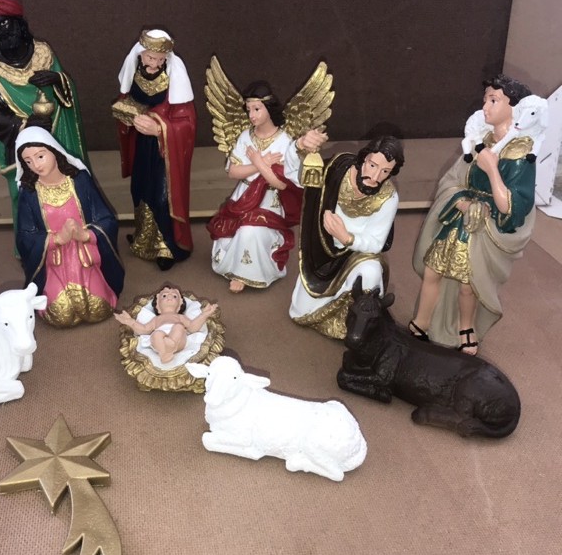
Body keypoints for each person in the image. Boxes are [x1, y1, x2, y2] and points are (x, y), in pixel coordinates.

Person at [411, 74, 542, 355]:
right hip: (458, 221)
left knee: (468, 284)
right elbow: (452, 180)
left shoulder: (521, 155)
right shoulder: (478, 141)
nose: (485, 107)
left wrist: (492, 168)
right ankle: (422, 321)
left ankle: (466, 328)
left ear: (514, 107)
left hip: (483, 229)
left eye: (494, 100)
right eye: (485, 100)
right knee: (433, 272)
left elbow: (511, 205)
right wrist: (460, 201)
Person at [0, 0, 88, 229]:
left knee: (67, 186)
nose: (0, 31)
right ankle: (34, 244)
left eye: (4, 23)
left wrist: (57, 80)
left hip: (56, 136)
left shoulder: (43, 52)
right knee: (28, 198)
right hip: (20, 146)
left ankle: (74, 237)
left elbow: (67, 92)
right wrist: (28, 126)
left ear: (19, 23)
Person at [289, 135, 404, 339]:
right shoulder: (337, 169)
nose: (375, 176)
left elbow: (376, 243)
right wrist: (299, 146)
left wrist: (347, 238)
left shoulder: (388, 197)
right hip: (322, 252)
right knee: (301, 313)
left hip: (357, 254)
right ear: (363, 158)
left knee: (371, 272)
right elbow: (295, 176)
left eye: (385, 171)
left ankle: (354, 321)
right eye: (372, 165)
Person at [14, 127, 124, 328]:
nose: (36, 165)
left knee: (98, 309)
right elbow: (25, 236)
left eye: (40, 156)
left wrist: (86, 234)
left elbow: (106, 218)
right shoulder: (29, 193)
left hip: (86, 257)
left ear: (54, 151)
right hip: (54, 262)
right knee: (61, 316)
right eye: (28, 161)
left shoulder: (80, 181)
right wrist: (56, 239)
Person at [207, 82, 310, 293]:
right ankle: (234, 266)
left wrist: (258, 162)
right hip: (243, 195)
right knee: (229, 232)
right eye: (249, 110)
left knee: (250, 231)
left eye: (257, 109)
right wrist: (259, 164)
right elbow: (233, 171)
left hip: (269, 200)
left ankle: (246, 274)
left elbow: (281, 183)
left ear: (269, 108)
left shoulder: (284, 141)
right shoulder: (246, 136)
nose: (251, 115)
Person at [114, 28, 196, 270]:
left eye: (160, 59)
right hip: (142, 145)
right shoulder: (135, 74)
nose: (155, 63)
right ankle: (143, 238)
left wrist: (160, 129)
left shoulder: (174, 78)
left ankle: (167, 247)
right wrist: (127, 115)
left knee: (162, 197)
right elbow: (127, 100)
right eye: (150, 57)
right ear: (140, 54)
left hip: (165, 151)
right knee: (140, 190)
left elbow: (187, 122)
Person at [114, 284, 218, 364]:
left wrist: (203, 315)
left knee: (179, 327)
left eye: (174, 296)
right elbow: (144, 329)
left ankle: (170, 345)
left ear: (179, 304)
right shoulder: (156, 319)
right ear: (157, 305)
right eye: (164, 296)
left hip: (178, 341)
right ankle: (164, 353)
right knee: (157, 334)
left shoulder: (180, 317)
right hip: (160, 343)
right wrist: (130, 322)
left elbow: (192, 328)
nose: (169, 297)